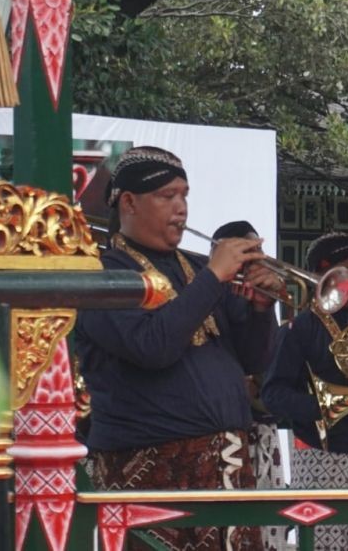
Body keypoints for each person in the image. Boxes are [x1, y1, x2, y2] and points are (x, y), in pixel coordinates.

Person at [75, 146, 280, 551]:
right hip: (153, 473)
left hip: (228, 465)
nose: (182, 208)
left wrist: (261, 307)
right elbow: (152, 347)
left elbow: (254, 360)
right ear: (129, 203)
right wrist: (214, 278)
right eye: (167, 196)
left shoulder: (196, 268)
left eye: (185, 195)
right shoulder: (103, 274)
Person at [261, 232, 348, 551]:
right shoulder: (301, 328)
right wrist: (326, 407)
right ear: (326, 273)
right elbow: (273, 393)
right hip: (324, 458)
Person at [212, 219, 290, 551]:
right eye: (249, 251)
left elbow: (262, 360)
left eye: (259, 250)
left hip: (261, 429)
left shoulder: (259, 293)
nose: (259, 258)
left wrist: (264, 307)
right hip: (229, 432)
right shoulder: (216, 291)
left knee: (266, 530)